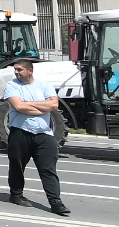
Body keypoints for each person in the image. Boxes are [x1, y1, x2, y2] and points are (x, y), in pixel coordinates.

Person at [4, 60, 70, 216]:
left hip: (43, 133)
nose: (16, 72)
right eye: (15, 70)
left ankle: (55, 202)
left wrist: (29, 104)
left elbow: (53, 105)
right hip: (20, 131)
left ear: (30, 70)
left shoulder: (44, 85)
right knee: (17, 166)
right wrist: (41, 107)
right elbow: (19, 106)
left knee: (48, 168)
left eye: (20, 70)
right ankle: (16, 194)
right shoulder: (12, 86)